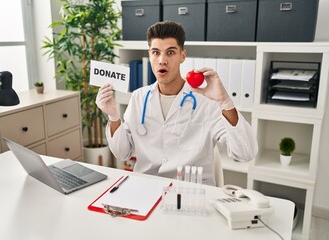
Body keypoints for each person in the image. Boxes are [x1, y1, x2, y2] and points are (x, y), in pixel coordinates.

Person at [95, 21, 258, 185]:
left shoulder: (206, 102)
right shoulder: (138, 97)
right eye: (156, 52)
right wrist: (113, 115)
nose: (162, 60)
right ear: (149, 55)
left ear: (182, 56)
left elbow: (245, 153)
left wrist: (225, 102)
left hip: (191, 194)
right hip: (147, 188)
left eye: (170, 52)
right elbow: (123, 153)